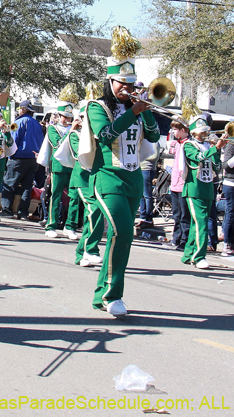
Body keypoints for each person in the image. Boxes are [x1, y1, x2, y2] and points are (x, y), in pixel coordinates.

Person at [78, 38, 159, 317]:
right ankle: (113, 295)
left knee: (121, 237)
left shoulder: (136, 107)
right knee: (122, 232)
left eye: (131, 84)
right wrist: (133, 112)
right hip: (107, 178)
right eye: (121, 83)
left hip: (134, 178)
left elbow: (155, 136)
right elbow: (105, 135)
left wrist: (145, 111)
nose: (126, 89)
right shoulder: (97, 106)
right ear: (110, 82)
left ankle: (103, 294)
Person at [180, 116, 227, 269]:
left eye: (205, 132)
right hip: (194, 189)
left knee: (198, 223)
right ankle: (199, 256)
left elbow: (217, 167)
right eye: (201, 132)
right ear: (193, 133)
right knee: (201, 223)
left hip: (207, 188)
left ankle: (188, 254)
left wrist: (216, 151)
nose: (204, 135)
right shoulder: (188, 145)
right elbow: (197, 157)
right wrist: (215, 148)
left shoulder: (208, 145)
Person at [68, 102, 104, 267]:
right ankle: (91, 250)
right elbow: (81, 155)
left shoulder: (97, 134)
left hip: (96, 179)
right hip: (82, 179)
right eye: (83, 118)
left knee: (95, 215)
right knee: (93, 211)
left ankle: (82, 253)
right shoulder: (75, 135)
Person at [0, 100, 44, 219]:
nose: (18, 111)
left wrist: (9, 156)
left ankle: (6, 210)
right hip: (33, 158)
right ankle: (23, 212)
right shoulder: (37, 124)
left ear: (23, 110)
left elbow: (12, 142)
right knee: (27, 186)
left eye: (20, 109)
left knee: (10, 183)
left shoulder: (18, 123)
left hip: (18, 157)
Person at [41, 102, 76, 239]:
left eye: (69, 117)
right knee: (56, 196)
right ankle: (51, 225)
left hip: (72, 167)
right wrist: (72, 130)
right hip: (59, 167)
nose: (67, 120)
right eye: (65, 117)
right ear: (59, 116)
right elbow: (57, 144)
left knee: (74, 197)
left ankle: (70, 226)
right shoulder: (53, 128)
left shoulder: (74, 129)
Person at [167, 119, 190, 250]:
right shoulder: (177, 144)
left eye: (175, 129)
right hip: (175, 183)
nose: (173, 132)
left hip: (183, 183)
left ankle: (184, 239)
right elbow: (170, 151)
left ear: (183, 130)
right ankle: (176, 237)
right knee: (176, 213)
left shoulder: (188, 144)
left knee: (184, 214)